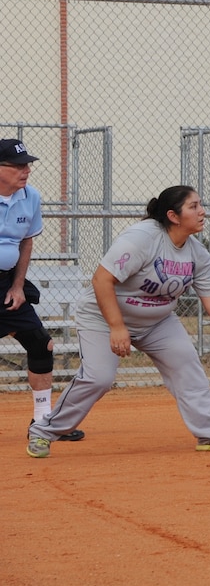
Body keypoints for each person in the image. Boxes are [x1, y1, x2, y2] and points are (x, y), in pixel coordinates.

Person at [28, 185, 210, 457]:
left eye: (200, 204)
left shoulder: (197, 254)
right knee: (99, 378)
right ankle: (43, 431)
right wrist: (117, 326)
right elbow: (101, 280)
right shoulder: (142, 238)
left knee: (187, 365)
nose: (202, 211)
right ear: (173, 215)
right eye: (194, 206)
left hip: (157, 322)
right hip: (102, 316)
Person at [1, 139, 83, 442]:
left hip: (7, 283)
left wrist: (18, 286)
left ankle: (43, 422)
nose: (26, 170)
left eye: (27, 164)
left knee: (41, 344)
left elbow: (26, 242)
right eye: (17, 165)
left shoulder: (30, 197)